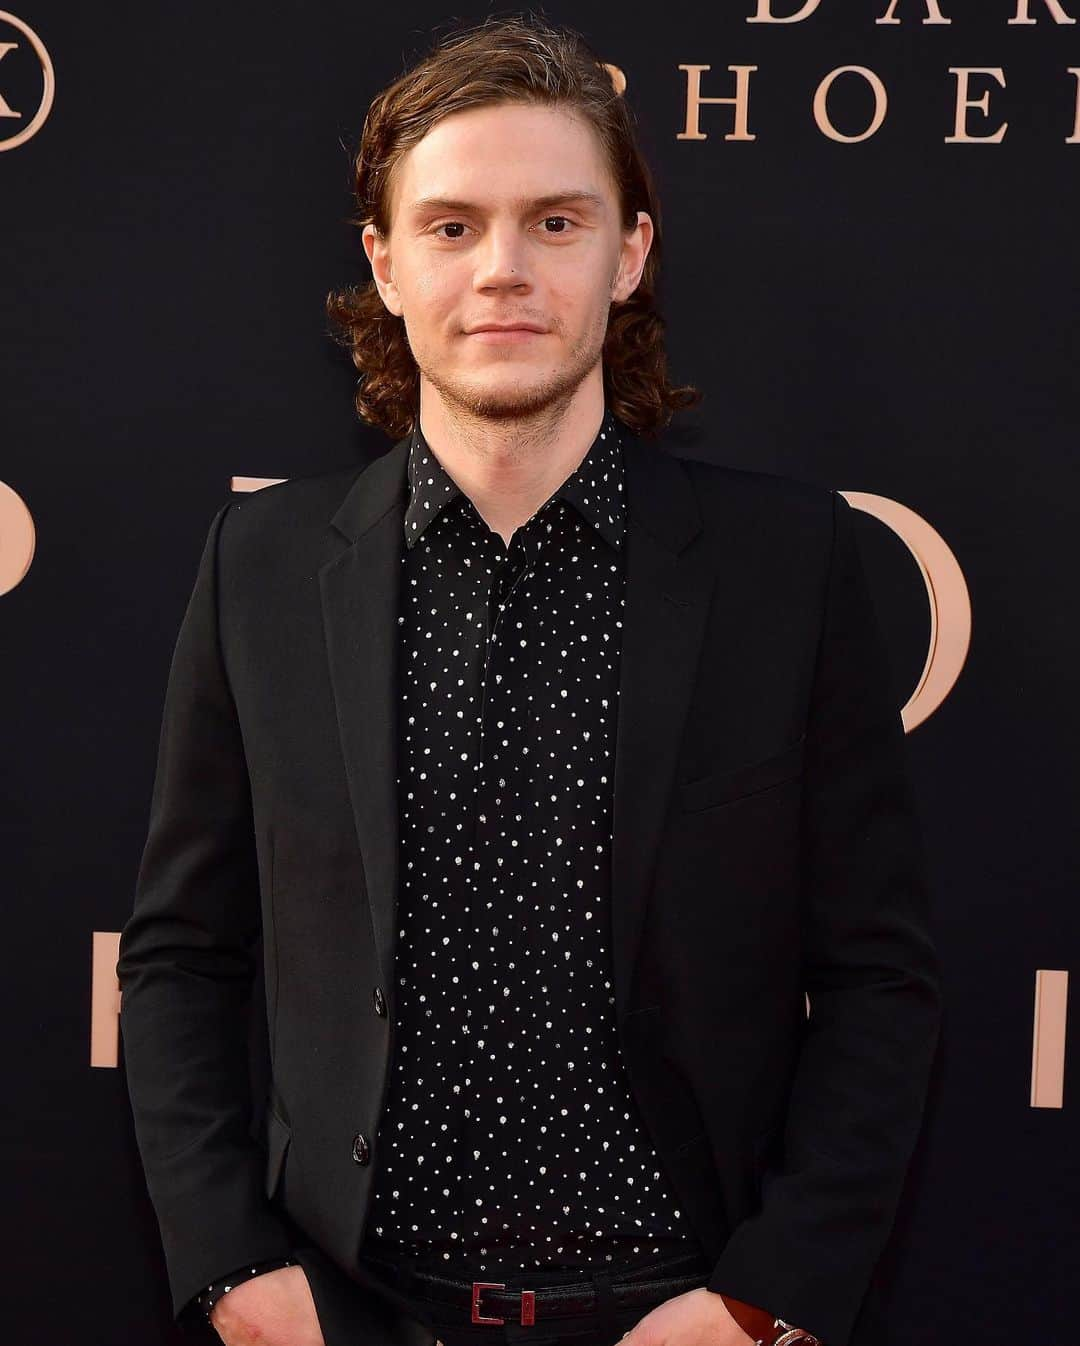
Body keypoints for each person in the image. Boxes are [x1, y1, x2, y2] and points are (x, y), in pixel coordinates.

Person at [116, 14, 943, 1346]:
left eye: (557, 222)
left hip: (674, 1314)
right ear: (384, 265)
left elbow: (878, 979)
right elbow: (178, 955)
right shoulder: (260, 565)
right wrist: (229, 1270)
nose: (503, 268)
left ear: (631, 254)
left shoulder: (790, 567)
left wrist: (765, 1296)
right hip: (351, 1311)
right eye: (452, 226)